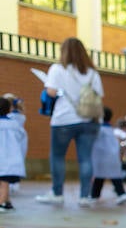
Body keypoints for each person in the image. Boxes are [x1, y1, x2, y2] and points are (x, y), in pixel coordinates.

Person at [35, 37, 104, 207]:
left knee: (58, 157)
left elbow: (51, 92)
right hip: (88, 120)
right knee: (85, 158)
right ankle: (84, 196)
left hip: (63, 119)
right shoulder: (92, 73)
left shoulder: (58, 69)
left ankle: (57, 193)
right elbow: (100, 96)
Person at [89, 106, 126, 204]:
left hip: (101, 157)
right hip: (113, 157)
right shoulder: (112, 129)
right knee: (111, 177)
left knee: (100, 176)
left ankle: (120, 194)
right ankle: (96, 195)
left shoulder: (98, 129)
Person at [0, 95, 26, 212]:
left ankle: (1, 203)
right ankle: (7, 202)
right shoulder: (15, 124)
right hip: (11, 160)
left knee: (3, 184)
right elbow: (21, 137)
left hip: (3, 159)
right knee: (5, 184)